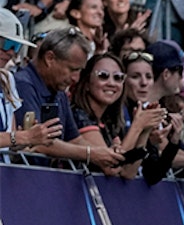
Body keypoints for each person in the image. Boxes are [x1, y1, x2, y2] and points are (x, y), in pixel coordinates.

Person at [14, 28, 123, 168]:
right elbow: (38, 143)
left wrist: (106, 154)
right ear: (50, 58)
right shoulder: (23, 85)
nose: (76, 78)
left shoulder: (59, 92)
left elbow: (74, 139)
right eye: (72, 69)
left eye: (79, 71)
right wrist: (92, 154)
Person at [1, 9, 63, 154]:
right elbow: (15, 136)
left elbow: (10, 142)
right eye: (5, 43)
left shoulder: (7, 79)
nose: (10, 52)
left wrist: (27, 141)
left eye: (16, 46)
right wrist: (22, 137)